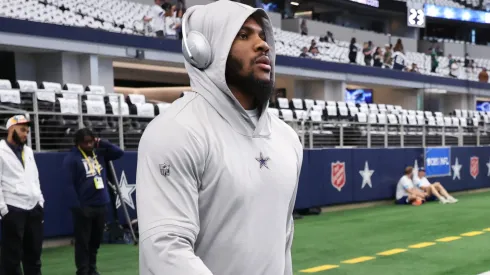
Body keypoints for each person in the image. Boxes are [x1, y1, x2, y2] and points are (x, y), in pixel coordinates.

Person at [136, 1, 303, 275]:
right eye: (244, 35)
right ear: (205, 49)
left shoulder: (287, 138)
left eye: (262, 35)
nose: (263, 45)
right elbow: (166, 250)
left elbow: (283, 241)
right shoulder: (175, 130)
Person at [62, 128, 124, 275]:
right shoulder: (71, 159)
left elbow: (119, 152)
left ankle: (92, 268)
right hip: (84, 206)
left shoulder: (99, 153)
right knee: (83, 242)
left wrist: (101, 142)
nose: (89, 145)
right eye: (85, 143)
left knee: (95, 241)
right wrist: (77, 206)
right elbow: (68, 185)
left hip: (101, 204)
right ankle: (82, 271)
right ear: (78, 143)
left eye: (91, 142)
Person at [0, 115, 45, 275]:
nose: (26, 134)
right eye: (22, 130)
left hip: (33, 208)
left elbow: (35, 177)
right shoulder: (0, 150)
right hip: (13, 209)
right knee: (11, 257)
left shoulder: (28, 151)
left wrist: (40, 200)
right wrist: (3, 209)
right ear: (11, 129)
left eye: (27, 130)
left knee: (34, 255)